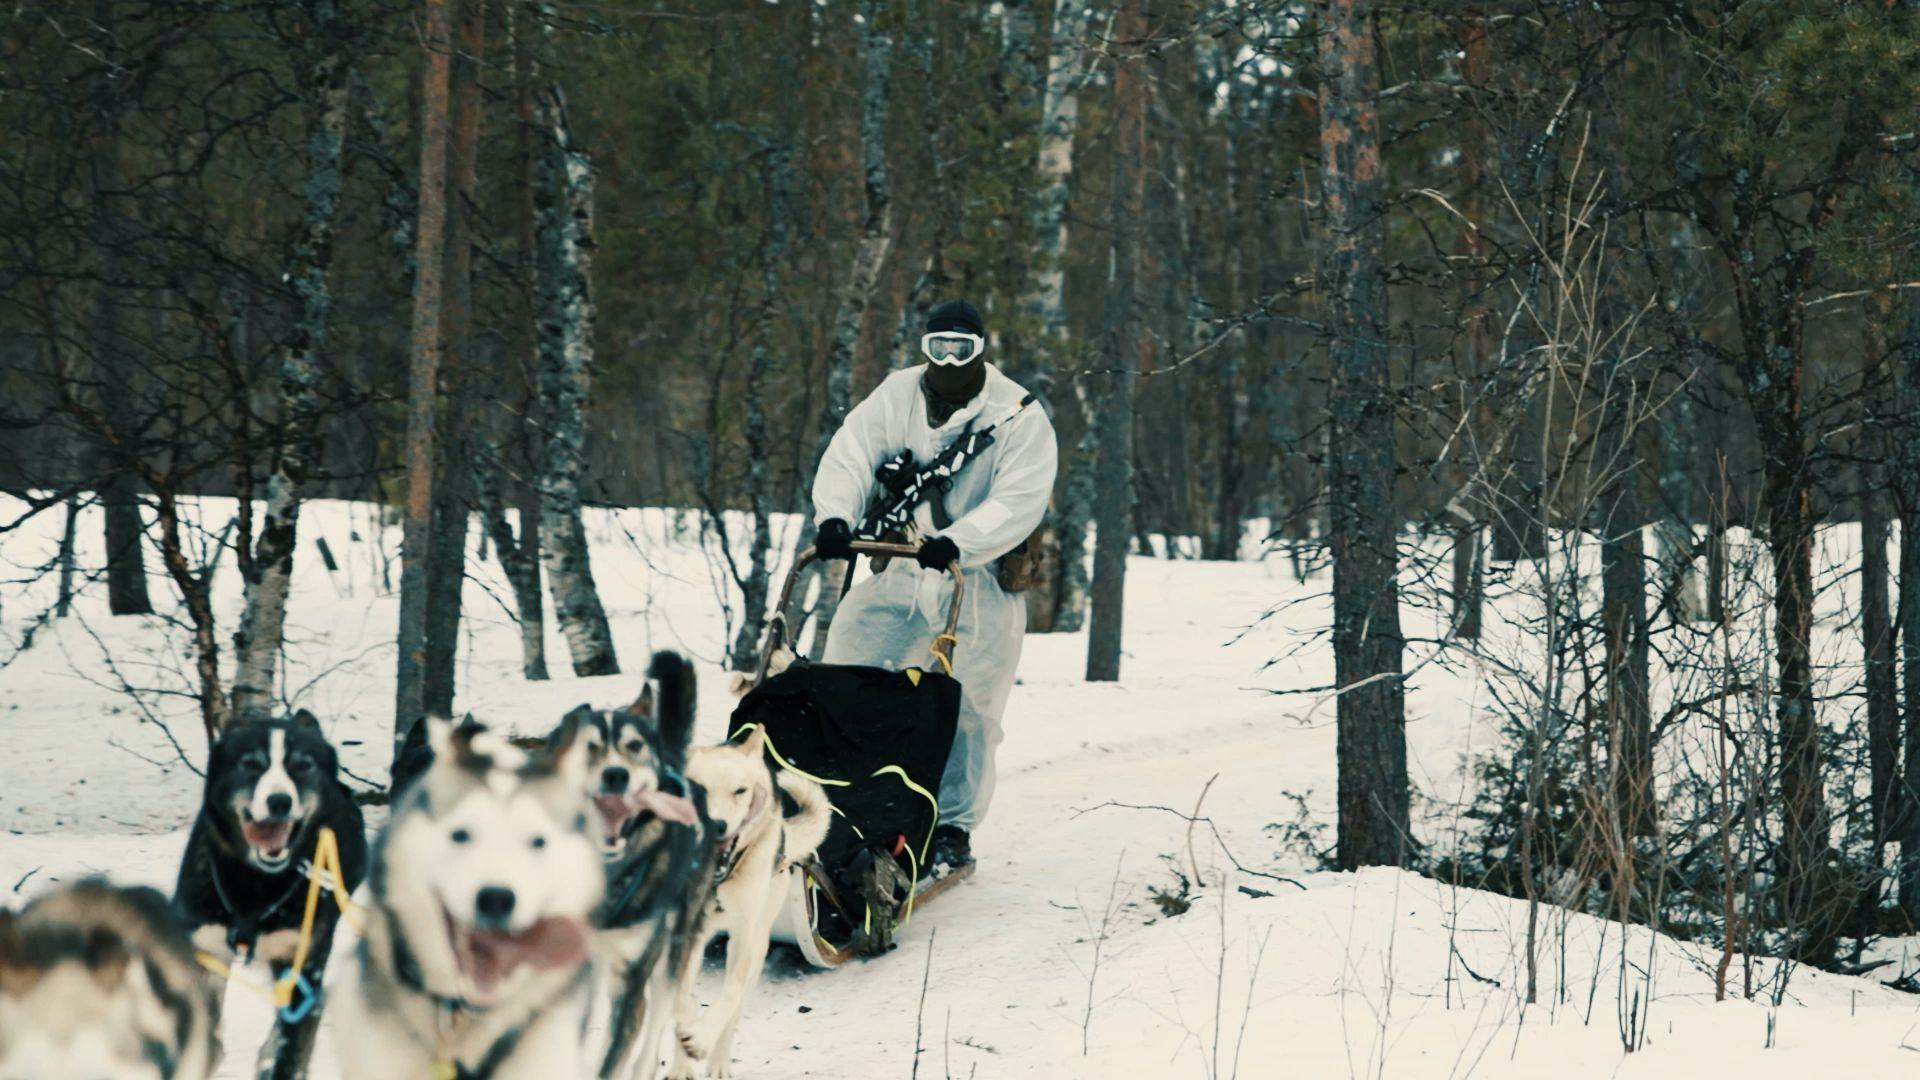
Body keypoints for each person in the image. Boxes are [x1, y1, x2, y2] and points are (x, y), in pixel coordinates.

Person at [811, 299, 1058, 875]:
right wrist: (836, 518)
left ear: (980, 350)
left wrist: (962, 540)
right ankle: (840, 798)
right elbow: (850, 454)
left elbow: (1021, 498)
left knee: (967, 707)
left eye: (962, 349)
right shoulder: (896, 395)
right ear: (924, 348)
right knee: (848, 673)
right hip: (897, 563)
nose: (948, 360)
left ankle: (950, 828)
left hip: (974, 580)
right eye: (937, 347)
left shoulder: (1018, 414)